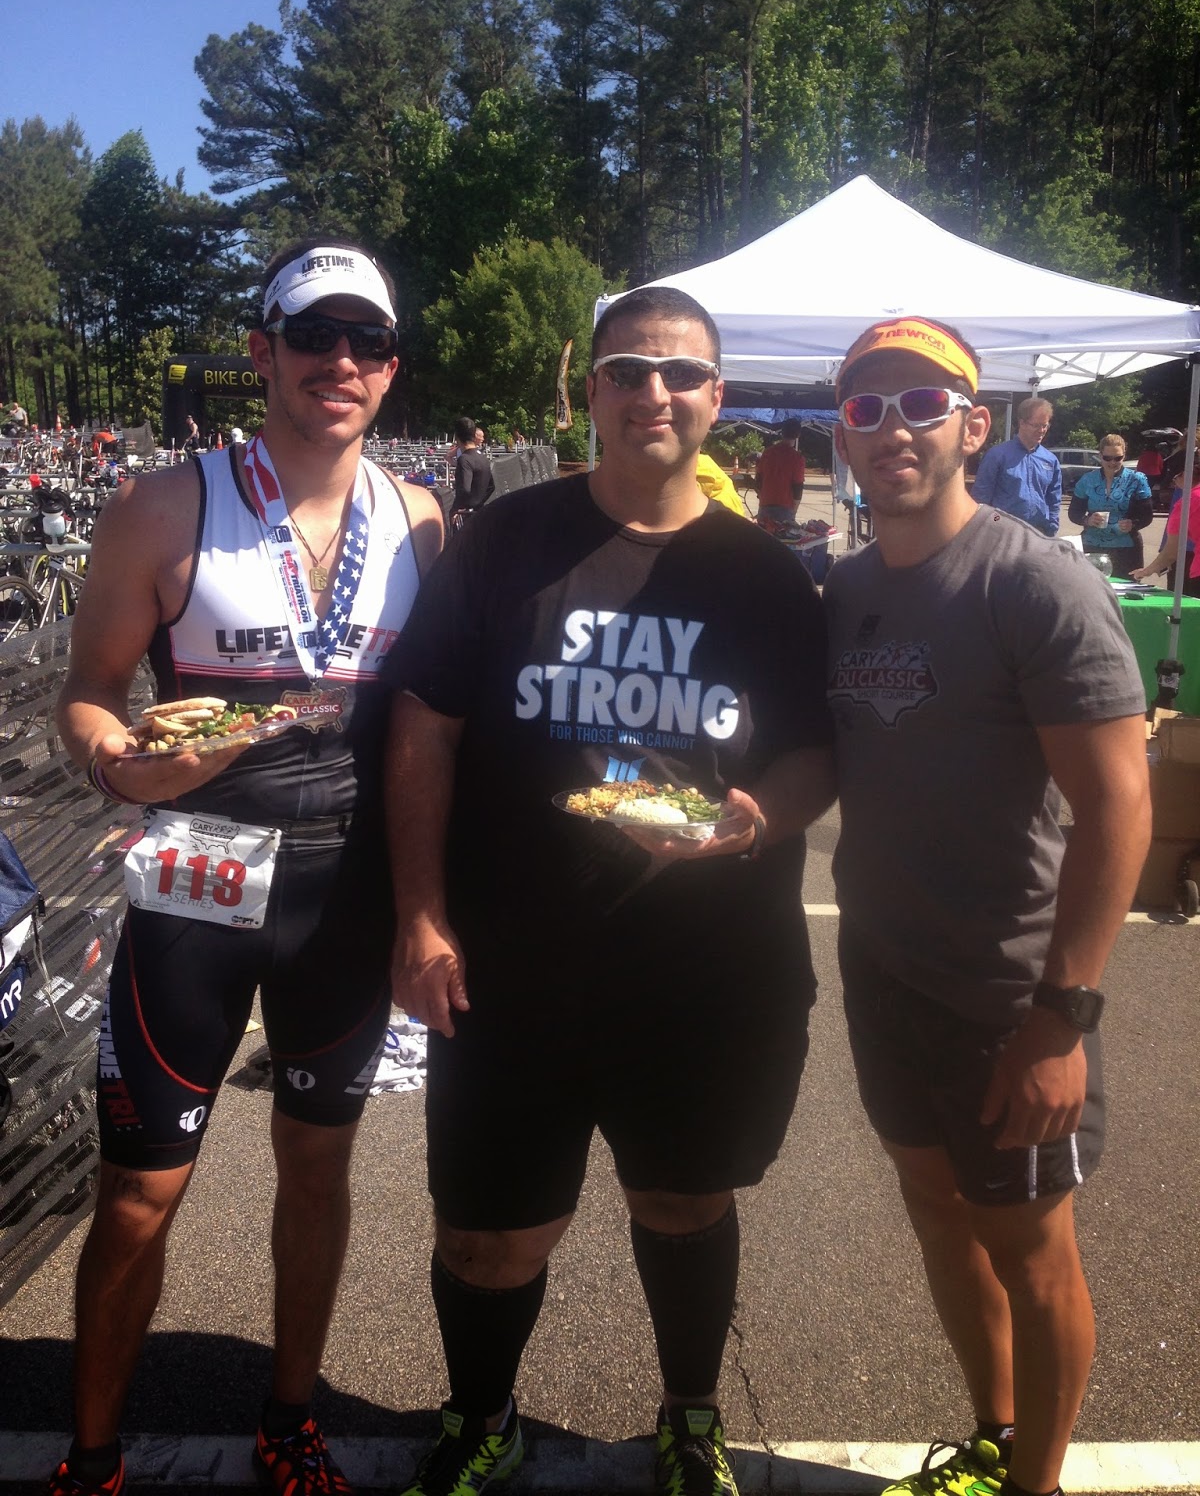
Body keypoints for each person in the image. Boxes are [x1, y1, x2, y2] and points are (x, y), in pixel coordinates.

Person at [383, 285, 835, 1496]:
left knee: (684, 1203)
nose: (654, 393)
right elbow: (425, 724)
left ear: (717, 398)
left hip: (705, 972)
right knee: (487, 1235)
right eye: (628, 370)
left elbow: (813, 753)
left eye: (680, 373)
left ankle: (691, 1421)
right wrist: (418, 913)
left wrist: (754, 818)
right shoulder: (506, 540)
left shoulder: (765, 576)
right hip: (510, 968)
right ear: (592, 389)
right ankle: (481, 1421)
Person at [50, 237, 443, 1496]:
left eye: (367, 341)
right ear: (263, 353)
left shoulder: (419, 520)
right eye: (314, 335)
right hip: (196, 883)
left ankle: (291, 1419)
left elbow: (436, 724)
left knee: (317, 1170)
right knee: (139, 1191)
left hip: (343, 897)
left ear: (390, 368)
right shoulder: (163, 505)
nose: (341, 361)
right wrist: (123, 765)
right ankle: (92, 1455)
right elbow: (88, 698)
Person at [825, 317, 1150, 1496]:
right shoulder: (847, 586)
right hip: (885, 971)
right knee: (936, 1207)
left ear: (974, 426)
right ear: (843, 438)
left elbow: (1120, 809)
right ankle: (994, 1439)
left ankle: (1036, 1485)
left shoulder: (1034, 582)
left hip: (1009, 992)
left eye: (923, 404)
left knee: (1032, 1247)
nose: (893, 428)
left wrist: (1064, 1017)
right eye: (866, 408)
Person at [971, 397, 1061, 535]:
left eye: (1045, 425)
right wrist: (993, 525)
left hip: (1038, 534)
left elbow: (1054, 499)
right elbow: (981, 498)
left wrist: (1052, 527)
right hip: (1003, 533)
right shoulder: (997, 455)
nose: (1041, 430)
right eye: (1036, 425)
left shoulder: (1050, 460)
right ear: (1022, 423)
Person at [1067, 434, 1152, 577]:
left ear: (1124, 456)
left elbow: (1147, 515)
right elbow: (1074, 512)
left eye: (1118, 458)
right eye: (1107, 458)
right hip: (1092, 546)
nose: (1112, 462)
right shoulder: (1087, 480)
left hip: (1126, 549)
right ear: (1100, 456)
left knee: (1124, 590)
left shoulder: (1137, 479)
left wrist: (1133, 524)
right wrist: (1087, 520)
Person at [1131, 447, 1200, 597]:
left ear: (1184, 474)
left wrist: (1147, 571)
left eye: (1174, 479)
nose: (1174, 484)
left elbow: (1171, 552)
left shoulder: (1187, 503)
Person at [754, 419, 806, 524]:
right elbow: (798, 488)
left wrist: (762, 496)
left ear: (782, 432)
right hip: (785, 507)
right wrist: (794, 511)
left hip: (765, 504)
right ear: (798, 435)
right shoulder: (797, 458)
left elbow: (758, 480)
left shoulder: (767, 453)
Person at [448, 416, 494, 524]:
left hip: (467, 517)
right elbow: (491, 486)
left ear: (457, 437)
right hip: (479, 513)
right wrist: (478, 504)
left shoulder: (464, 459)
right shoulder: (483, 457)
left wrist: (456, 509)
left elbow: (464, 489)